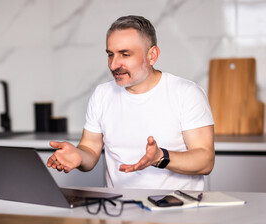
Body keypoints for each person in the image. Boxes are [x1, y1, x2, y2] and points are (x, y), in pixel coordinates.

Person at [47, 15, 215, 190]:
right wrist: (79, 155)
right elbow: (90, 148)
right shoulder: (102, 94)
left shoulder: (186, 93)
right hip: (118, 210)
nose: (113, 65)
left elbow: (205, 160)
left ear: (152, 55)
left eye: (125, 54)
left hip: (177, 210)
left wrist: (160, 157)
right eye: (110, 55)